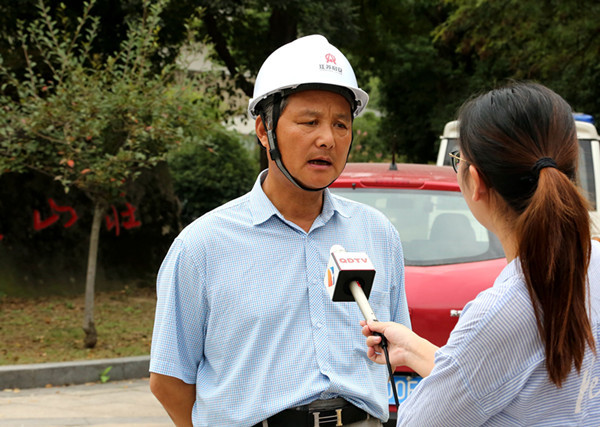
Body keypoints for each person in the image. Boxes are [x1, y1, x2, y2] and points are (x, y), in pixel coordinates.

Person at [149, 34, 411, 427]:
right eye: (309, 121)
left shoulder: (377, 233)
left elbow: (399, 351)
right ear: (263, 129)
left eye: (341, 123)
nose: (327, 138)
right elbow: (168, 379)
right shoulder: (202, 246)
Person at [362, 81, 600, 425]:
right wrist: (413, 349)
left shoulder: (506, 308)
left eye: (458, 159)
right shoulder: (591, 264)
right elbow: (512, 382)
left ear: (475, 180)